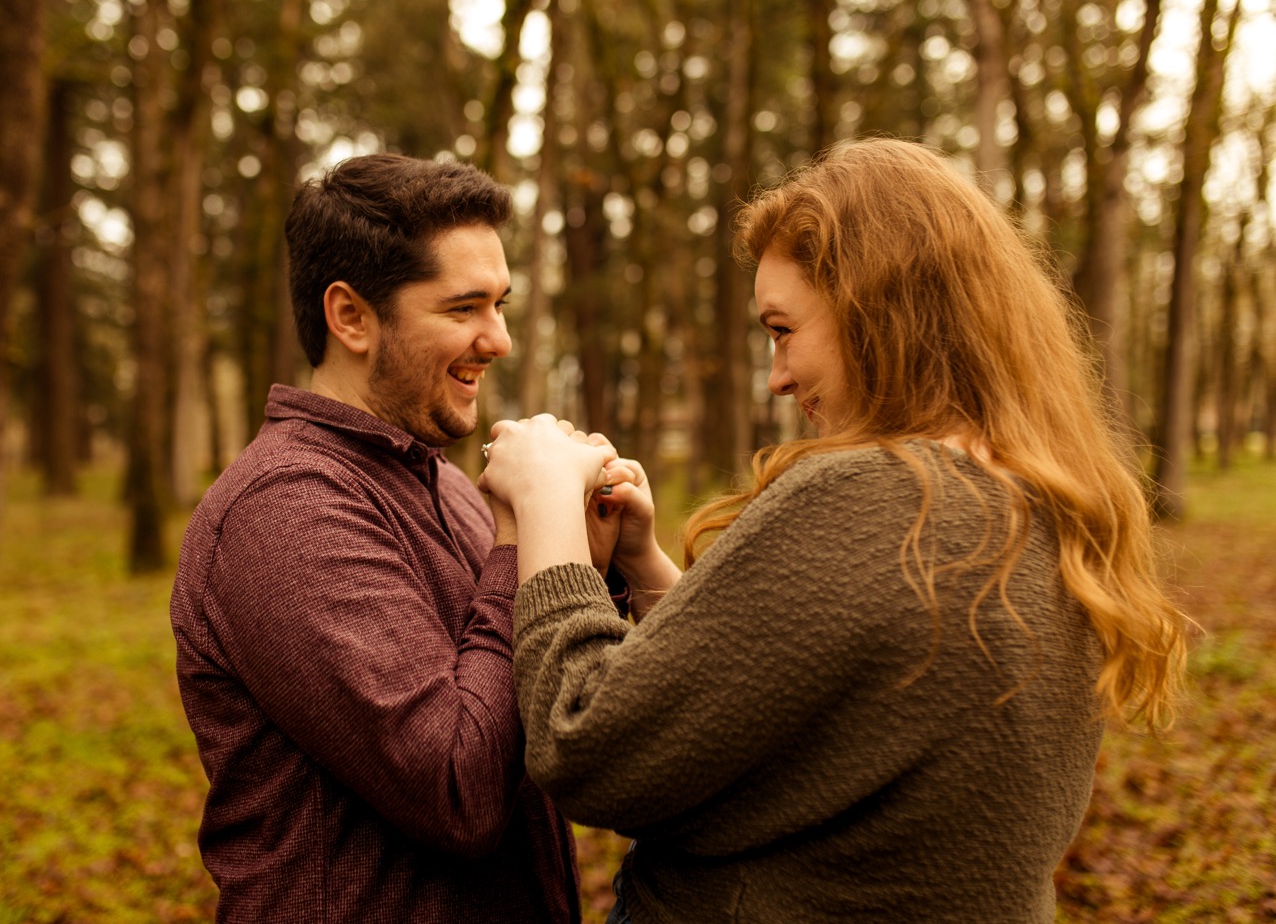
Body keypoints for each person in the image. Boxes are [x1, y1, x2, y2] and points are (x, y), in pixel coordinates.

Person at [480, 138, 1188, 923]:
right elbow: (823, 718)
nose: (778, 375)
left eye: (782, 329)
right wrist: (648, 571)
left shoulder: (876, 497)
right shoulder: (1045, 503)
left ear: (876, 310)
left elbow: (586, 745)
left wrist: (545, 505)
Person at [170, 153, 581, 923]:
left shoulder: (449, 487)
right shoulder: (285, 509)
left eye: (501, 304)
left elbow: (542, 718)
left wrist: (586, 558)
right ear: (351, 316)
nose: (500, 340)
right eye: (464, 309)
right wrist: (523, 545)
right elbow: (458, 790)